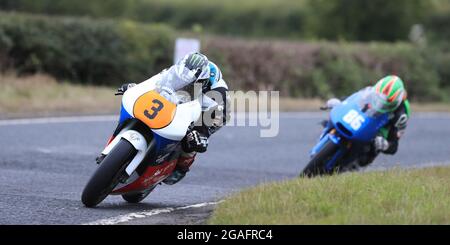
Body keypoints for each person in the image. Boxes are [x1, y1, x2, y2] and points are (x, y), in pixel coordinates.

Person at [110, 52, 231, 184]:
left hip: (211, 112)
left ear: (202, 83)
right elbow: (157, 80)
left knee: (192, 139)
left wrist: (202, 135)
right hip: (178, 96)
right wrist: (137, 87)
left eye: (188, 86)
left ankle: (181, 168)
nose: (183, 87)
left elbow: (218, 118)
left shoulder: (218, 95)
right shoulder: (181, 69)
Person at [324, 75, 411, 168]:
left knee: (366, 157)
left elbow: (394, 145)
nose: (380, 105)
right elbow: (353, 100)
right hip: (364, 116)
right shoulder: (372, 92)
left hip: (380, 129)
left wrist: (386, 145)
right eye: (378, 99)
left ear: (396, 102)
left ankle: (349, 166)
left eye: (386, 104)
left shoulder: (401, 114)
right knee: (330, 120)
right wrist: (339, 102)